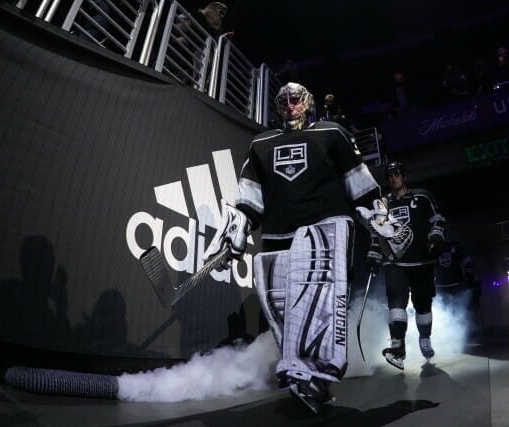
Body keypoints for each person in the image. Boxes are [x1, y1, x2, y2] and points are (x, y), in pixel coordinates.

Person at [202, 82, 406, 413]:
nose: (290, 106)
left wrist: (383, 224)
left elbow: (361, 186)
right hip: (277, 237)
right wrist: (234, 233)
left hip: (326, 227)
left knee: (318, 300)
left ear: (307, 103)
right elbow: (249, 198)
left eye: (295, 100)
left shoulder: (332, 133)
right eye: (283, 102)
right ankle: (313, 382)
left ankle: (313, 372)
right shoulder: (261, 144)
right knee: (282, 312)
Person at [370, 161, 446, 370]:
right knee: (396, 301)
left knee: (422, 303)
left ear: (404, 176)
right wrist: (374, 256)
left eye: (396, 174)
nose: (393, 178)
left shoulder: (422, 196)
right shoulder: (382, 205)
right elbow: (377, 234)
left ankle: (425, 338)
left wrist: (436, 237)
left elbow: (437, 219)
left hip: (422, 259)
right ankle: (397, 347)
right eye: (389, 175)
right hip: (394, 261)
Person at [434, 240, 482, 337]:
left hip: (456, 286)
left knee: (461, 311)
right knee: (446, 312)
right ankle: (449, 334)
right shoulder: (433, 249)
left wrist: (470, 277)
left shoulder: (454, 247)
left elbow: (467, 260)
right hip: (442, 287)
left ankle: (465, 333)